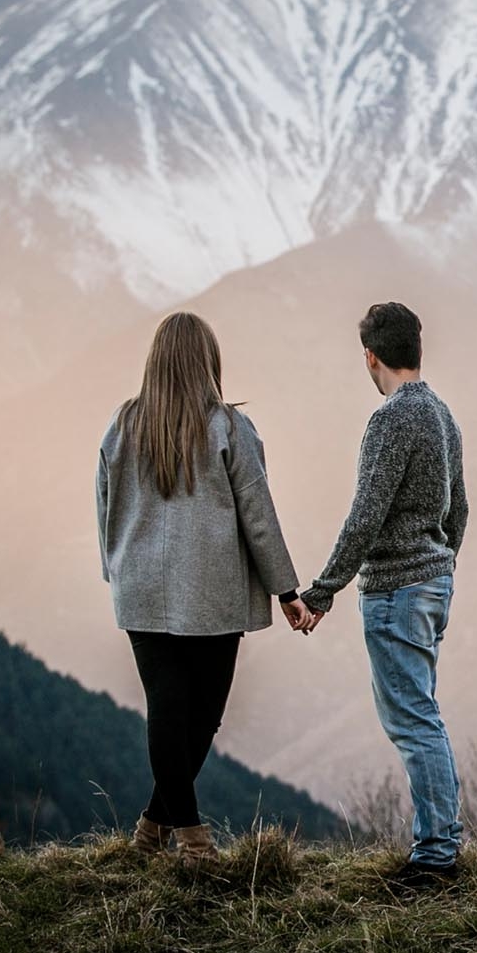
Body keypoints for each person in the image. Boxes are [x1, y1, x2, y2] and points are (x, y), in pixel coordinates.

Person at [96, 311, 312, 861]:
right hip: (212, 595)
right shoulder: (230, 429)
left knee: (167, 712)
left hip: (140, 590)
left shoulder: (122, 426)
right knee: (201, 716)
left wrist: (113, 569)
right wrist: (287, 590)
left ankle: (151, 829)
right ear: (208, 362)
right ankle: (192, 839)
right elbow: (257, 515)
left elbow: (105, 507)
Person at [289, 301, 469, 888]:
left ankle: (437, 856)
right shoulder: (443, 416)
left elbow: (365, 517)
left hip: (397, 589)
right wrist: (441, 565)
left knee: (414, 721)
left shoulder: (392, 420)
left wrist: (322, 592)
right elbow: (459, 509)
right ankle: (438, 846)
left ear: (371, 356)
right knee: (424, 714)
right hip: (433, 582)